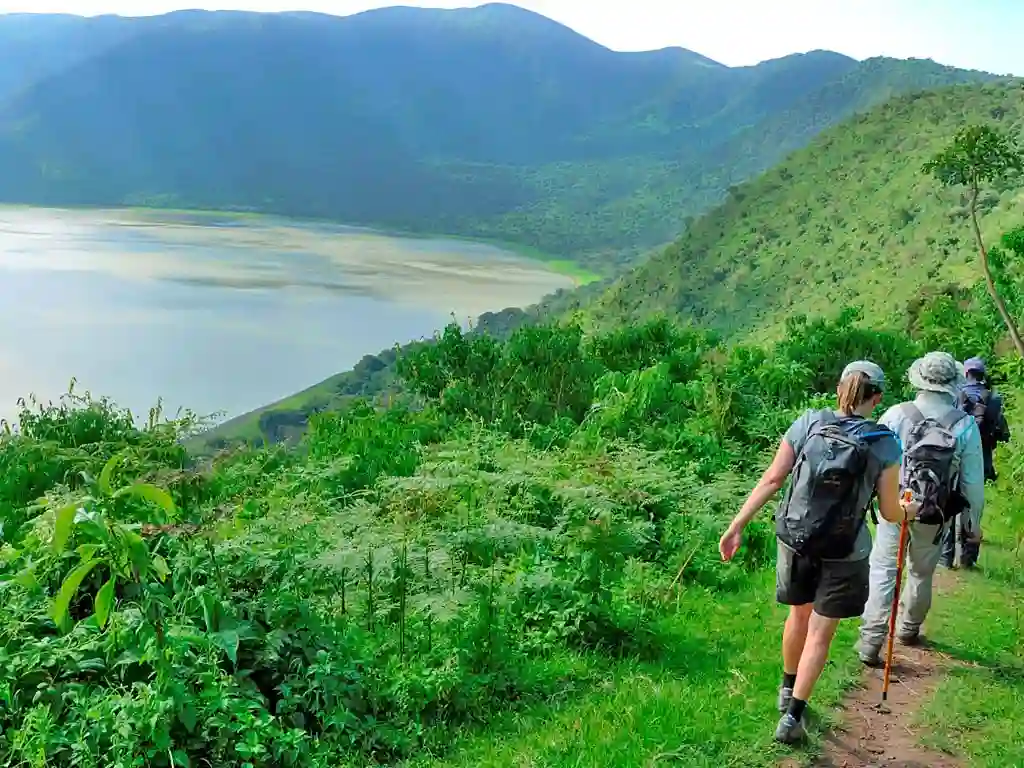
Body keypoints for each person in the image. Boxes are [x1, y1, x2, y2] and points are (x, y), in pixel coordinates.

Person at [719, 361, 904, 745]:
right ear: (878, 398)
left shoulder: (808, 423)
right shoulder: (885, 443)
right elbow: (890, 512)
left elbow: (773, 479)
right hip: (845, 549)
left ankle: (786, 689)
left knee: (797, 616)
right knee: (821, 632)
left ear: (840, 389)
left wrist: (736, 526)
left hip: (795, 538)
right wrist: (911, 509)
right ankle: (793, 717)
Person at [858, 352, 984, 665]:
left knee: (885, 569)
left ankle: (871, 641)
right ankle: (908, 628)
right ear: (952, 383)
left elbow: (870, 461)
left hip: (895, 507)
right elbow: (972, 483)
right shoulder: (965, 425)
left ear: (920, 380)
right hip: (934, 512)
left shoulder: (896, 415)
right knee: (921, 572)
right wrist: (972, 523)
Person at [944, 356, 1009, 568]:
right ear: (983, 375)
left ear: (966, 373)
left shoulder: (956, 395)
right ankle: (968, 558)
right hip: (981, 458)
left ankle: (946, 556)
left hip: (954, 454)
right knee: (972, 505)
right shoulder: (993, 398)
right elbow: (1002, 431)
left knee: (949, 500)